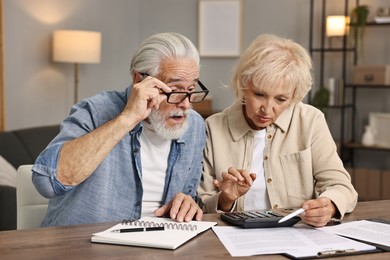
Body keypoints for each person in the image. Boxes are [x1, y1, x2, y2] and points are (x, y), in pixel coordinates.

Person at [32, 32, 209, 227]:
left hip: (161, 244)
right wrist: (128, 118)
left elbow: (188, 194)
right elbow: (47, 183)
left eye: (191, 90)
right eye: (174, 90)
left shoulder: (194, 126)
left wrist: (187, 202)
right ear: (139, 80)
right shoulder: (95, 111)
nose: (185, 105)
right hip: (83, 246)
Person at [197, 34, 358, 227]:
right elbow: (202, 203)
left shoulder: (310, 121)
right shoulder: (213, 128)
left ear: (293, 97)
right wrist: (225, 199)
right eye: (259, 94)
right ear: (243, 85)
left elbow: (342, 186)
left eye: (281, 99)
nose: (267, 108)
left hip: (297, 235)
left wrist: (329, 205)